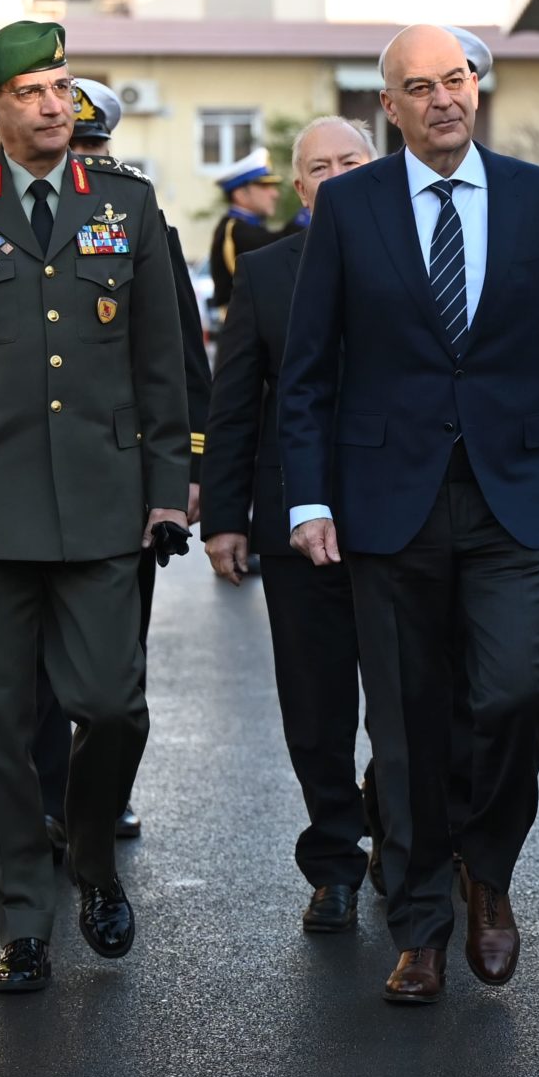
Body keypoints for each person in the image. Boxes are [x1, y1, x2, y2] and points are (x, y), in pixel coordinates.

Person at [275, 24, 539, 1005]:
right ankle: (420, 921)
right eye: (417, 87)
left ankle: (487, 869)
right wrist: (308, 496)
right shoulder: (348, 206)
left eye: (454, 79)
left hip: (515, 493)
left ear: (477, 85)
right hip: (388, 501)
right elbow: (308, 367)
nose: (441, 98)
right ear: (392, 107)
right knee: (410, 718)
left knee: (513, 688)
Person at [0, 20, 192, 995]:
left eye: (61, 86)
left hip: (102, 503)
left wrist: (166, 490)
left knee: (110, 704)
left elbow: (160, 364)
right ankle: (23, 918)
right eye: (32, 91)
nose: (55, 104)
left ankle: (90, 857)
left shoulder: (126, 205)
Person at [17, 77, 216, 851]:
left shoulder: (139, 219)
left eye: (97, 147)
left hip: (122, 477)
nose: (86, 159)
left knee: (114, 657)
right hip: (26, 479)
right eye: (77, 144)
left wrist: (186, 471)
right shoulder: (4, 218)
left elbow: (179, 364)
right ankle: (44, 798)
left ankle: (104, 792)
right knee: (33, 660)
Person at [203, 115, 378, 934]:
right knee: (315, 705)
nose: (336, 176)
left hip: (403, 519)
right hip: (292, 519)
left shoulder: (420, 250)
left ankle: (410, 839)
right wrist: (226, 518)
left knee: (412, 698)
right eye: (319, 167)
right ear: (299, 185)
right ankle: (335, 862)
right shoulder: (266, 272)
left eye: (353, 161)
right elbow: (236, 401)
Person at [206, 150, 286, 313]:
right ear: (240, 194)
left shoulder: (244, 226)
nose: (274, 194)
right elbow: (280, 249)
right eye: (264, 186)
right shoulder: (235, 229)